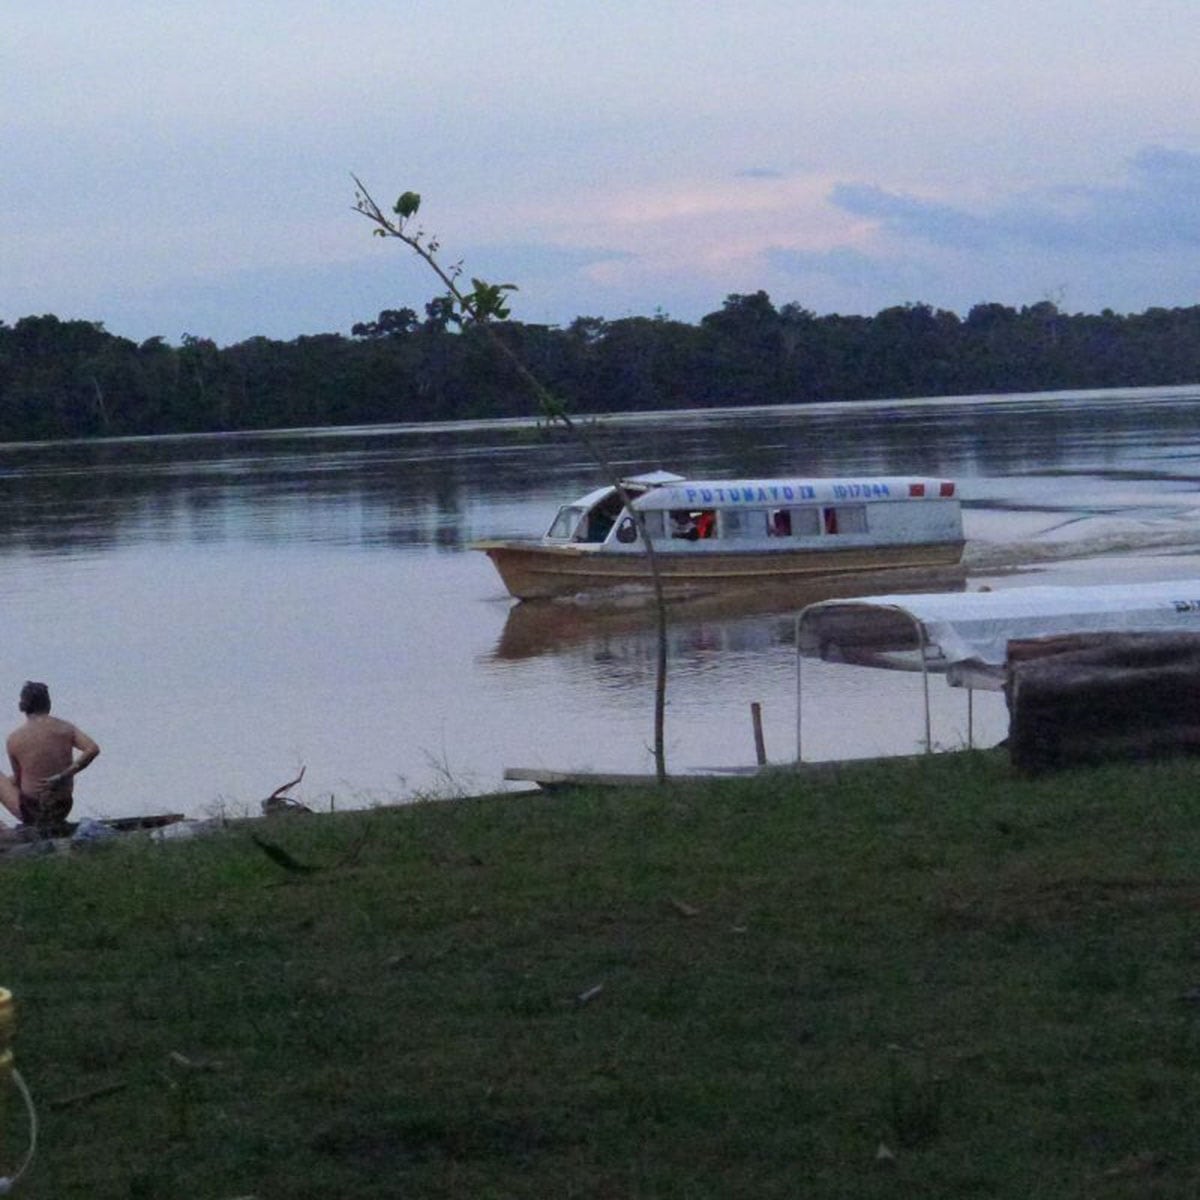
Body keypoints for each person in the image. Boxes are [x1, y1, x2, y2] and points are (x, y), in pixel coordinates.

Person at [0, 682, 100, 833]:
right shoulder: (65, 728)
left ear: (23, 706)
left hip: (32, 811)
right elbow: (92, 749)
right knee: (8, 781)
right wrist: (63, 775)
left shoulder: (14, 739)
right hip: (62, 807)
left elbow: (20, 781)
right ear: (48, 703)